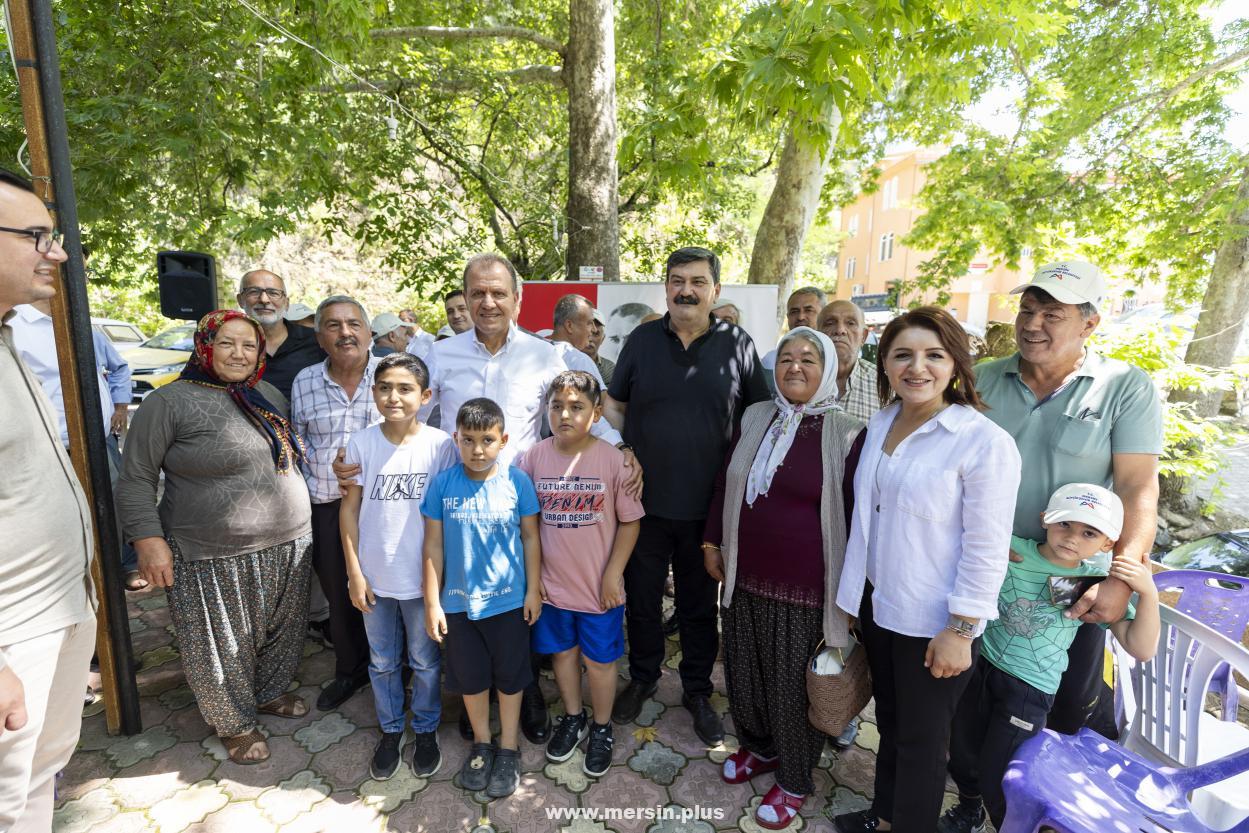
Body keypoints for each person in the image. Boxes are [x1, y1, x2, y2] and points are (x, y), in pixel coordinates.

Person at [400, 254, 637, 743]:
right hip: (463, 503)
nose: (488, 302)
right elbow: (410, 413)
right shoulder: (441, 356)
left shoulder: (546, 355)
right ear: (465, 298)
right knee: (467, 602)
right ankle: (475, 697)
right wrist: (367, 452)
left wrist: (623, 448)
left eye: (498, 293)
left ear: (517, 299)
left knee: (522, 602)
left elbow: (577, 409)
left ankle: (524, 692)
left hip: (525, 501)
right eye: (478, 293)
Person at [833, 307, 1021, 833]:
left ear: (955, 365)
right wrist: (853, 599)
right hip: (879, 604)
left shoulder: (983, 442)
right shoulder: (882, 421)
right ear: (885, 366)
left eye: (934, 355)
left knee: (922, 743)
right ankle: (885, 816)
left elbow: (987, 546)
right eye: (903, 355)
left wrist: (961, 630)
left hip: (936, 621)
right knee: (889, 723)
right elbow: (869, 520)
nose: (918, 368)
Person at [975, 261, 1162, 737]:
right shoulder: (982, 380)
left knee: (1063, 711)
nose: (1032, 324)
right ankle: (972, 800)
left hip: (1070, 585)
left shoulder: (1124, 387)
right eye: (1027, 309)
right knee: (973, 699)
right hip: (988, 570)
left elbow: (1137, 486)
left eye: (1052, 314)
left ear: (1090, 323)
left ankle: (1039, 806)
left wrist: (1119, 581)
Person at [118, 310, 312, 765]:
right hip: (210, 551)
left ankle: (265, 695)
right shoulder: (168, 403)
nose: (239, 354)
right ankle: (234, 722)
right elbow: (135, 479)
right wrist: (148, 540)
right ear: (205, 345)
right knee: (220, 641)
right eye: (227, 343)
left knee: (280, 630)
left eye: (249, 345)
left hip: (290, 539)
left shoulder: (264, 394)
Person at [602, 246, 770, 746]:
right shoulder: (641, 340)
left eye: (698, 281)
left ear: (715, 290)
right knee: (643, 600)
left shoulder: (737, 343)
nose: (686, 290)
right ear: (666, 287)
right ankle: (645, 676)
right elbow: (614, 403)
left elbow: (759, 416)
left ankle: (697, 689)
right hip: (643, 507)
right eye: (677, 280)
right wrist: (627, 446)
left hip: (707, 509)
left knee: (699, 604)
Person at [703, 327, 865, 830]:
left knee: (794, 688)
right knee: (746, 677)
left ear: (828, 372)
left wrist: (853, 591)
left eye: (808, 360)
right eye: (787, 358)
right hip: (744, 578)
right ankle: (759, 748)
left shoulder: (848, 431)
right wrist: (713, 542)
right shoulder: (756, 415)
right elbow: (725, 481)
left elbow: (858, 518)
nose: (795, 367)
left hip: (807, 592)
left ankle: (795, 778)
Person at [940, 483, 1160, 833]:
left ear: (1107, 543)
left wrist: (1148, 594)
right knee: (963, 754)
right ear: (1045, 520)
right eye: (1064, 524)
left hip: (1029, 691)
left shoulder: (1093, 585)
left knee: (1004, 773)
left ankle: (1011, 825)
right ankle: (969, 810)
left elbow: (1141, 646)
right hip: (980, 665)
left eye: (1089, 532)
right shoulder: (1012, 551)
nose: (1072, 537)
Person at [0, 168, 96, 833]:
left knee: (40, 777)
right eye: (37, 236)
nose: (56, 252)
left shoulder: (11, 342)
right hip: (14, 637)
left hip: (59, 610)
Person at [516, 371, 644, 776]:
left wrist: (613, 574)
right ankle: (574, 717)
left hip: (597, 591)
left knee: (601, 662)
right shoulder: (532, 459)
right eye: (557, 406)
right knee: (563, 655)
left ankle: (602, 727)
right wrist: (532, 582)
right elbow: (528, 524)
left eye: (576, 407)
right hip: (551, 589)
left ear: (597, 412)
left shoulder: (614, 460)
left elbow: (630, 522)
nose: (565, 415)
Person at [340, 352, 458, 781]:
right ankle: (391, 729)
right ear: (373, 393)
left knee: (425, 660)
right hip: (374, 577)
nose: (394, 396)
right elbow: (349, 511)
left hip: (420, 579)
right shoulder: (360, 444)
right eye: (385, 387)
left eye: (405, 388)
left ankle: (425, 729)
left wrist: (439, 585)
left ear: (425, 396)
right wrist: (354, 572)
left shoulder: (441, 445)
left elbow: (443, 517)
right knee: (383, 660)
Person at [422, 398, 542, 798]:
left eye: (487, 440)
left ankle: (508, 746)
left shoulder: (516, 482)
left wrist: (532, 589)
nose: (477, 449)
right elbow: (433, 545)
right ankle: (482, 741)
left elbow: (530, 537)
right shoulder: (442, 485)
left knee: (510, 678)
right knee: (470, 679)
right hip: (458, 604)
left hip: (508, 603)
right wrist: (433, 602)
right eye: (468, 440)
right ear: (456, 438)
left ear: (503, 440)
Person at [291, 296, 380, 712]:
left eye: (353, 323)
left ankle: (400, 667)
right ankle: (351, 668)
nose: (345, 333)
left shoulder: (390, 374)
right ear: (318, 335)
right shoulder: (305, 380)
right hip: (327, 503)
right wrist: (322, 464)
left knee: (392, 589)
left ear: (368, 331)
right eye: (333, 325)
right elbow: (297, 437)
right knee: (339, 591)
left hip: (385, 506)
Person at [236, 270, 327, 400]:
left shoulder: (318, 341)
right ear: (240, 300)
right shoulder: (229, 346)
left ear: (286, 303)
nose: (264, 299)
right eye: (254, 292)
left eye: (273, 293)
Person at [817, 300, 880, 423]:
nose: (840, 330)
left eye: (850, 323)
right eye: (830, 323)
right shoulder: (800, 378)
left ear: (864, 336)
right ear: (817, 334)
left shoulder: (883, 384)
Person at [548, 294, 607, 386]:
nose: (594, 329)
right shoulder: (580, 361)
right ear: (569, 326)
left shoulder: (535, 351)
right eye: (589, 323)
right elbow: (602, 399)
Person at [585, 308, 614, 386]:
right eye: (586, 332)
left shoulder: (610, 368)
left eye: (595, 333)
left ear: (603, 339)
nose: (590, 338)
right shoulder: (563, 362)